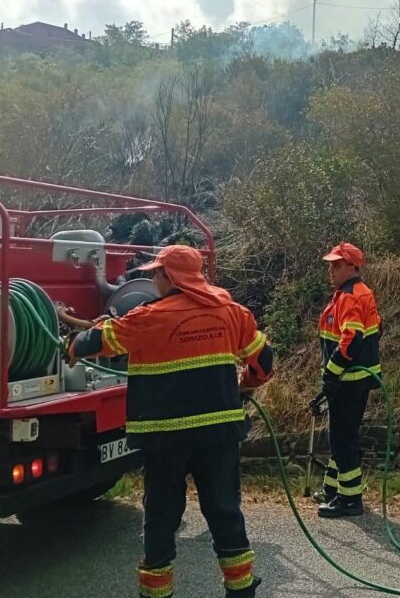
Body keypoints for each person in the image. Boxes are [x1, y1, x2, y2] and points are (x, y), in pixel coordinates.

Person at [69, 244, 273, 598]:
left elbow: (93, 344)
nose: (154, 280)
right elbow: (264, 360)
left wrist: (74, 344)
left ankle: (157, 592)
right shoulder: (230, 312)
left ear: (169, 276)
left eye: (155, 274)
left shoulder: (147, 317)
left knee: (162, 516)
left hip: (164, 438)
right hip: (219, 433)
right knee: (224, 510)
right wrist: (247, 383)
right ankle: (241, 590)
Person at [310, 242, 382, 518]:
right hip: (351, 378)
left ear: (353, 267)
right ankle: (333, 489)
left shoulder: (352, 296)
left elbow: (350, 343)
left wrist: (331, 373)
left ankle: (350, 499)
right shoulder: (352, 293)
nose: (332, 269)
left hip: (348, 380)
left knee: (342, 439)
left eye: (337, 265)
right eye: (330, 264)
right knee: (340, 435)